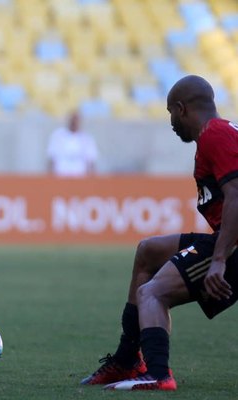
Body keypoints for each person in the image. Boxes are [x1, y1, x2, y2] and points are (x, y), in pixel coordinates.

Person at [81, 75, 238, 391]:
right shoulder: (221, 133)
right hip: (227, 238)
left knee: (151, 292)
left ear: (181, 109)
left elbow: (237, 194)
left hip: (232, 246)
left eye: (170, 113)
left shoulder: (215, 136)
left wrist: (219, 260)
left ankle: (157, 374)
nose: (171, 123)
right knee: (148, 251)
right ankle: (127, 359)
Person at [46, 110, 98, 177]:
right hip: (61, 176)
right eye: (72, 119)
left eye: (76, 120)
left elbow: (91, 161)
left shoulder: (87, 138)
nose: (74, 122)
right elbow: (52, 158)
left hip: (80, 177)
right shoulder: (58, 136)